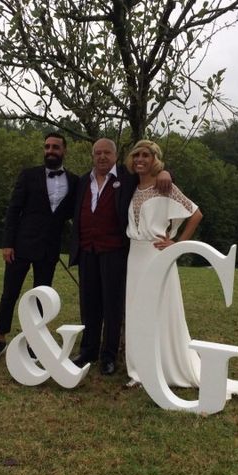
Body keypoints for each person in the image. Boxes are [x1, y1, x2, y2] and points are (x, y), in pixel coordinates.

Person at [123, 140, 238, 400]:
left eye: (146, 155)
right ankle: (138, 370)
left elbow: (195, 214)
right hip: (134, 255)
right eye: (136, 155)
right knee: (136, 310)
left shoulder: (165, 187)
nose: (140, 159)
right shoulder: (132, 185)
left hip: (157, 255)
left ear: (155, 159)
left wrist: (178, 243)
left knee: (161, 311)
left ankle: (164, 367)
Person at [69, 138, 171, 375]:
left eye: (106, 153)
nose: (102, 157)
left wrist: (166, 172)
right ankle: (88, 350)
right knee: (89, 303)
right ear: (92, 155)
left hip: (115, 251)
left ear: (115, 155)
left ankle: (109, 355)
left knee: (113, 305)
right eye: (97, 153)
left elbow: (151, 171)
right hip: (87, 251)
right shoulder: (84, 181)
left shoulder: (128, 177)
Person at [0, 132, 78, 362]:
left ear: (64, 150)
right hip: (21, 245)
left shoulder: (75, 181)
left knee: (41, 297)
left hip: (49, 249)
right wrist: (7, 243)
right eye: (47, 147)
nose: (50, 151)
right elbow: (13, 210)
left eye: (55, 147)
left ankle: (35, 342)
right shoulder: (28, 175)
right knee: (10, 293)